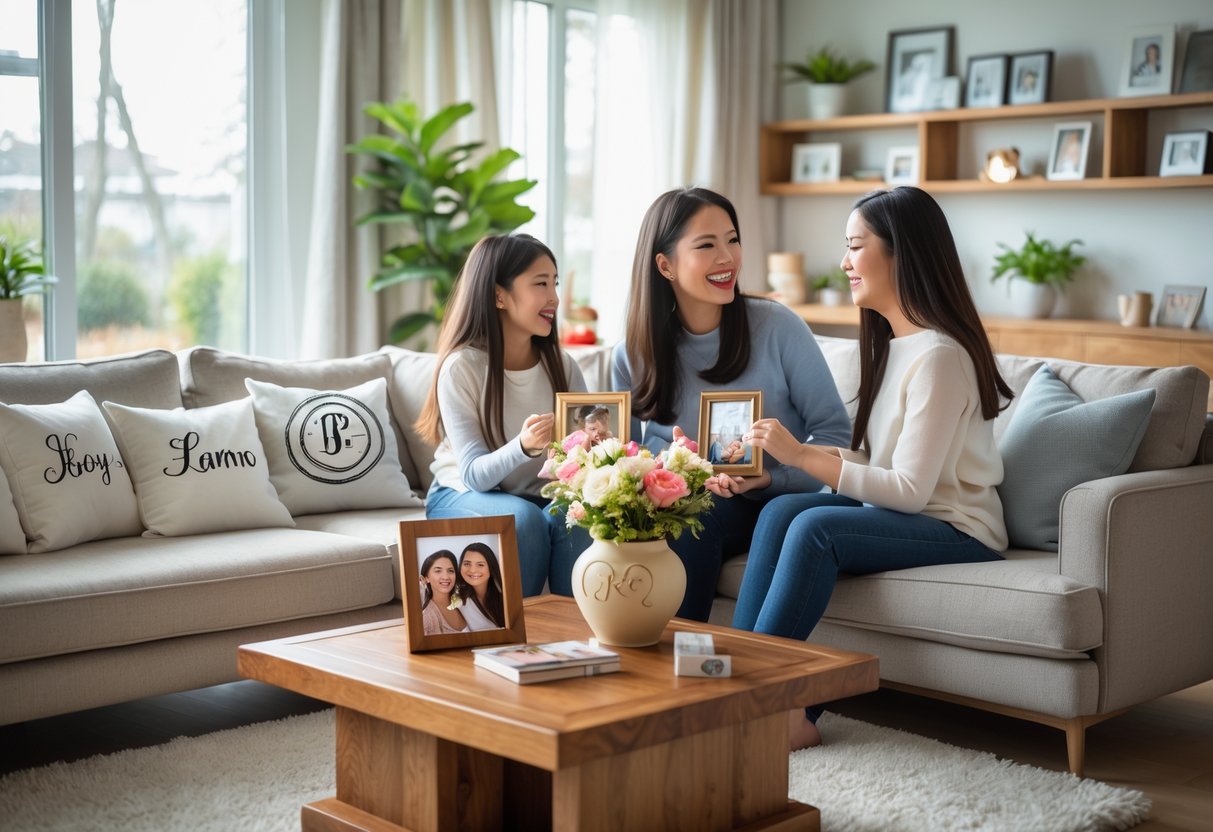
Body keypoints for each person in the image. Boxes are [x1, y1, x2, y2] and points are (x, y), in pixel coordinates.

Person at [727, 186, 1012, 751]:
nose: (843, 263)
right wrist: (808, 457)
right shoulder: (896, 345)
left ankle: (770, 706)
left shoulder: (941, 356)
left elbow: (909, 492)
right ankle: (736, 687)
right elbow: (886, 465)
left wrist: (806, 456)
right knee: (784, 507)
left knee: (815, 527)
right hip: (911, 512)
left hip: (960, 529)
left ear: (901, 253)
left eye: (856, 247)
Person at [552, 186, 852, 618]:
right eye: (707, 245)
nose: (727, 256)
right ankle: (579, 652)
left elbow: (835, 435)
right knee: (574, 523)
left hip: (763, 506)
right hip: (672, 503)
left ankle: (683, 667)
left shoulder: (777, 327)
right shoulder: (632, 354)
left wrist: (772, 477)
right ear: (665, 265)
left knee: (696, 522)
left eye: (732, 239)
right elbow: (624, 455)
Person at [416, 233, 587, 597]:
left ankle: (570, 637)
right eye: (540, 284)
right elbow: (475, 475)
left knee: (576, 517)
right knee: (521, 520)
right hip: (459, 494)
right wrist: (523, 446)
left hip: (537, 495)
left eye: (554, 283)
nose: (554, 297)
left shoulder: (563, 366)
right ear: (499, 295)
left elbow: (582, 461)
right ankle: (516, 645)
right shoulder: (461, 368)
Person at [456, 541, 505, 630]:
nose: (473, 570)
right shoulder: (458, 601)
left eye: (480, 565)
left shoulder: (504, 596)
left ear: (491, 567)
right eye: (467, 564)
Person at [419, 550, 469, 635]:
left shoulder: (464, 601)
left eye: (450, 571)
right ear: (426, 578)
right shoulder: (427, 619)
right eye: (438, 571)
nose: (446, 577)